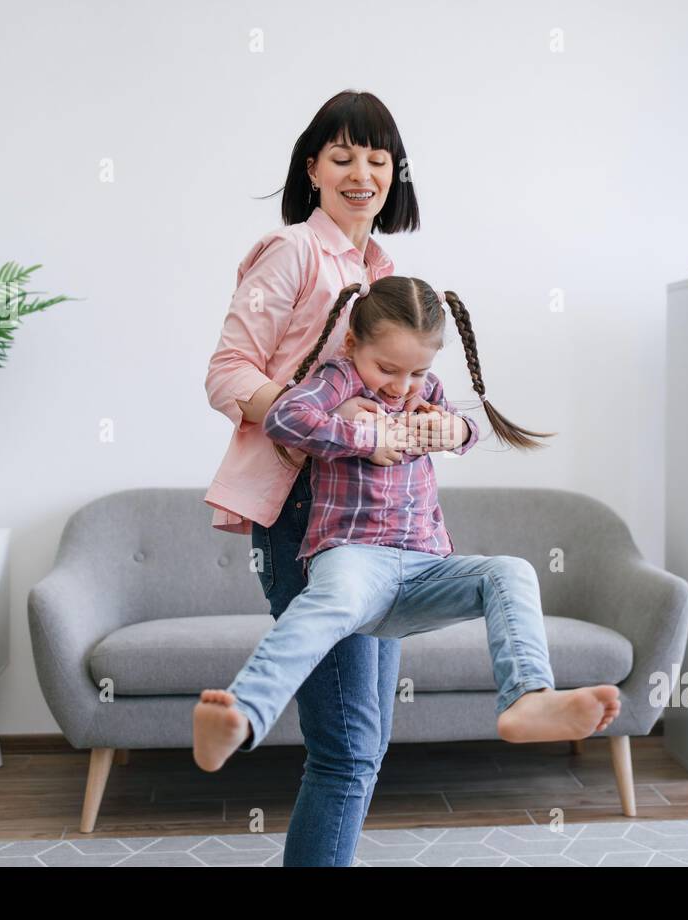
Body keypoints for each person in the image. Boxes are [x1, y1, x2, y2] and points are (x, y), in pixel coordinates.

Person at [195, 275, 623, 775]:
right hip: (354, 561)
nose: (401, 386)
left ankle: (528, 697)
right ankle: (243, 714)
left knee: (511, 572)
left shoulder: (428, 390)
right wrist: (361, 436)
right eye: (387, 368)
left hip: (423, 568)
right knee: (320, 610)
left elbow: (467, 430)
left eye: (417, 371)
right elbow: (284, 419)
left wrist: (454, 427)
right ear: (353, 344)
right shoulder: (338, 379)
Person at [204, 91, 424, 866]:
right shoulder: (292, 251)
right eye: (342, 157)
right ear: (313, 169)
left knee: (369, 740)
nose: (361, 173)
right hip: (304, 513)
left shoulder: (384, 269)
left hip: (380, 519)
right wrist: (331, 431)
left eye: (377, 158)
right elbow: (227, 373)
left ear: (396, 173)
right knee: (347, 744)